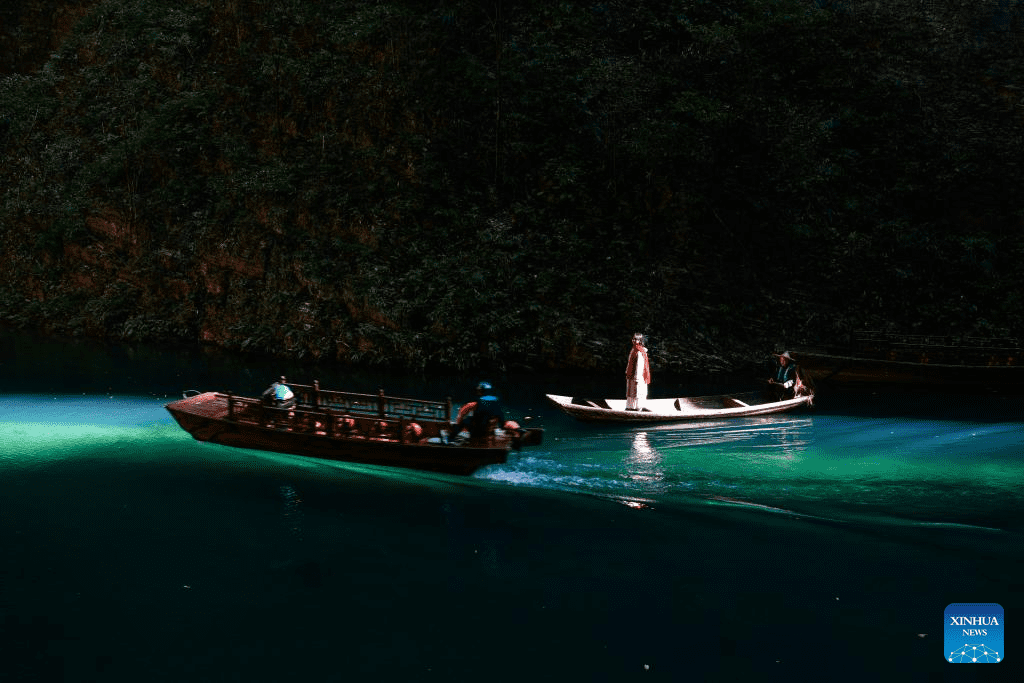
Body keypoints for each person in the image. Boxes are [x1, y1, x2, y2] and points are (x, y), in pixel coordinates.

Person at [625, 333, 651, 410]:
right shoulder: (634, 349)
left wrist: (637, 377)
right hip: (632, 374)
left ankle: (638, 407)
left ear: (640, 341)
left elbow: (640, 365)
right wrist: (627, 371)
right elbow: (630, 362)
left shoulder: (639, 351)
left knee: (637, 391)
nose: (634, 340)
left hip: (638, 376)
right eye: (633, 339)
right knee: (631, 391)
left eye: (636, 339)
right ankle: (630, 406)